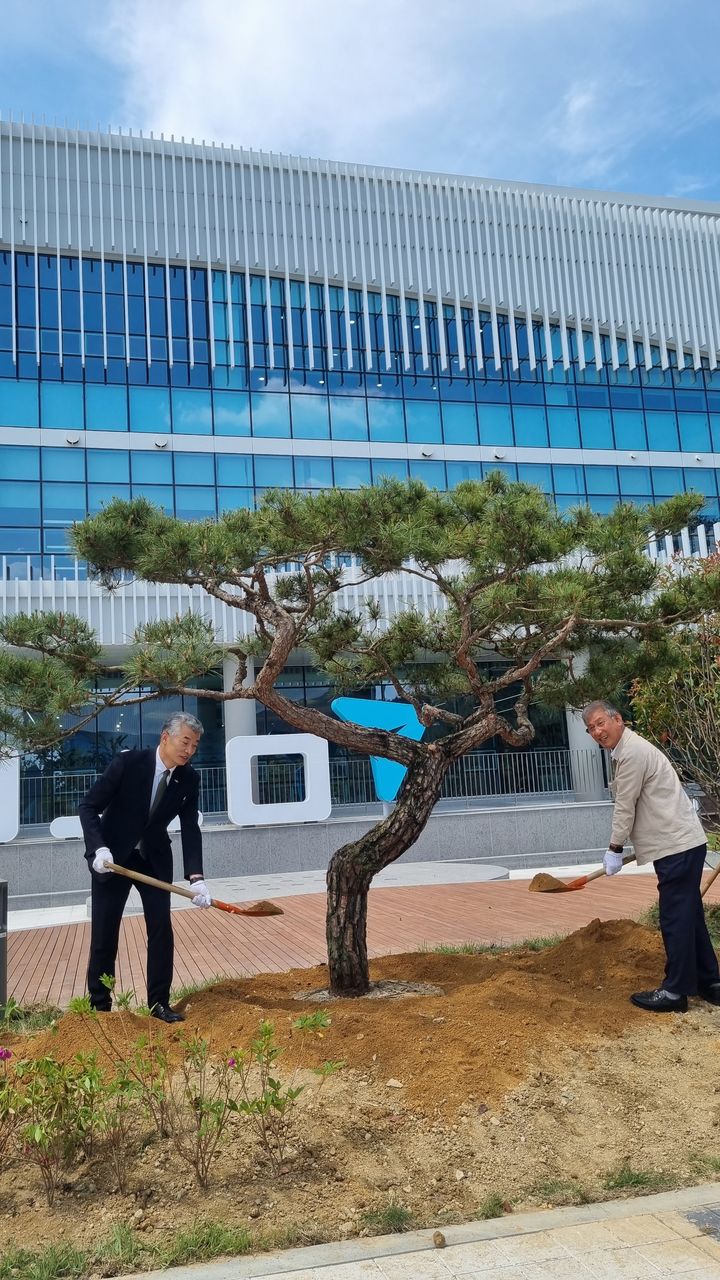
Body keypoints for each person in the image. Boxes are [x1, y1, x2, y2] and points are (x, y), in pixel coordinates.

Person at [582, 699, 720, 1013]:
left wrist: (614, 848)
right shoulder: (630, 750)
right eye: (590, 728)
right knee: (690, 916)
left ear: (617, 719)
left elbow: (625, 805)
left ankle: (675, 992)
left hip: (676, 846)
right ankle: (710, 983)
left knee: (674, 918)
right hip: (681, 844)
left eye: (601, 722)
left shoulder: (630, 752)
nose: (596, 731)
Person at [79, 712, 212, 1022]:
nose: (189, 751)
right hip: (112, 859)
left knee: (161, 929)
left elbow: (190, 828)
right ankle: (99, 1006)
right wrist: (97, 848)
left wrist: (197, 879)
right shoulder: (128, 764)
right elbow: (88, 807)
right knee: (104, 932)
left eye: (195, 745)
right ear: (165, 738)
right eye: (185, 742)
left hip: (153, 858)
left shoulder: (188, 778)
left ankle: (159, 1004)